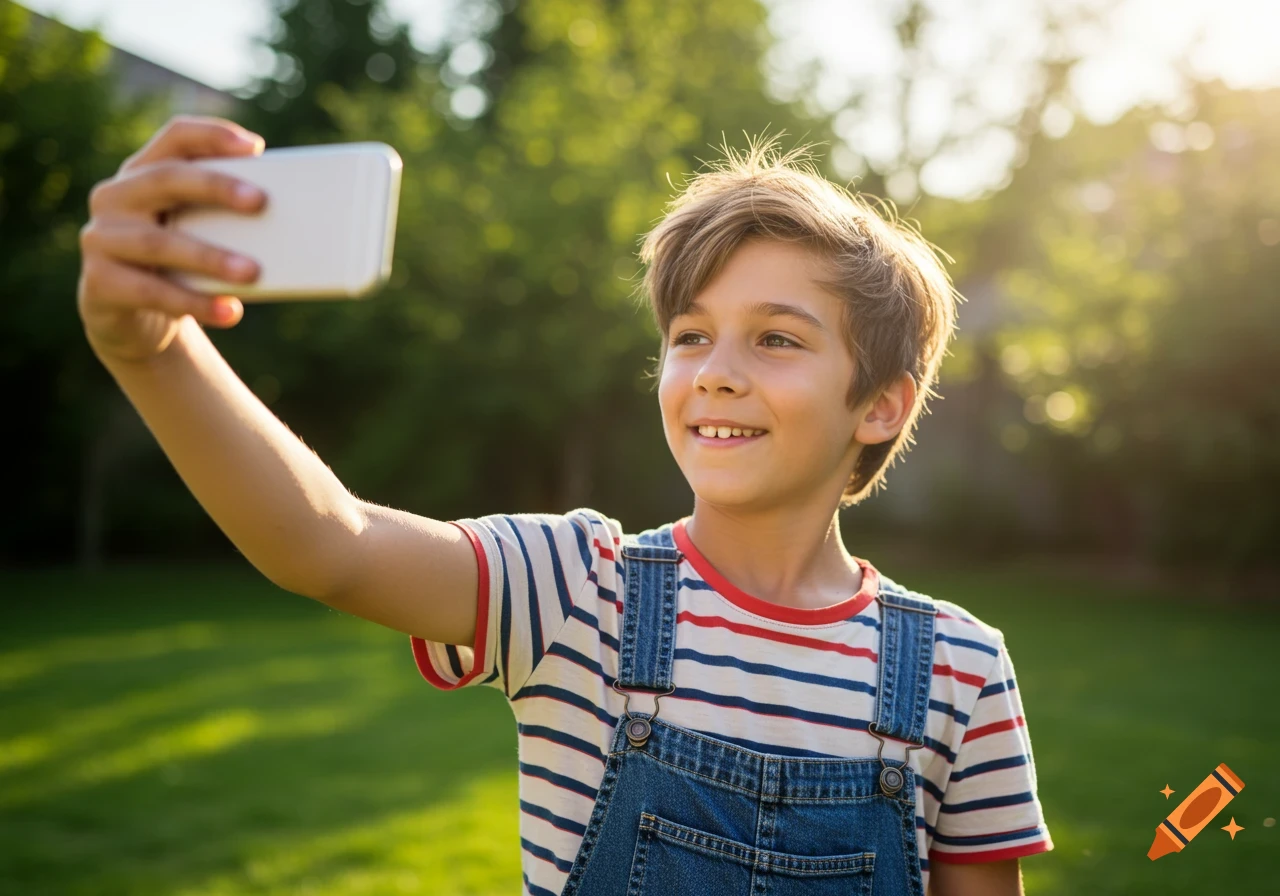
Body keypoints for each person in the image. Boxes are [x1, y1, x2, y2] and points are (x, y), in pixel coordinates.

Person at [79, 115, 1053, 896]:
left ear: (879, 402)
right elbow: (327, 543)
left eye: (776, 339)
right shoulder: (576, 588)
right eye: (689, 335)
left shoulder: (958, 669)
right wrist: (150, 348)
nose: (713, 373)